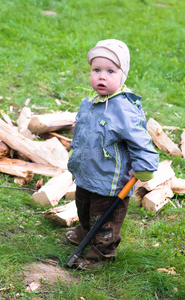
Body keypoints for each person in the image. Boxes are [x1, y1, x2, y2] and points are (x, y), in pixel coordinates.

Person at [66, 39, 159, 270]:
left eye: (110, 71)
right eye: (96, 70)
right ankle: (85, 231)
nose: (101, 76)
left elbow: (141, 140)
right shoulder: (89, 101)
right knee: (83, 207)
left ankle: (101, 254)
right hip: (87, 173)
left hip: (110, 182)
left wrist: (144, 165)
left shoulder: (124, 109)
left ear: (123, 75)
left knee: (105, 219)